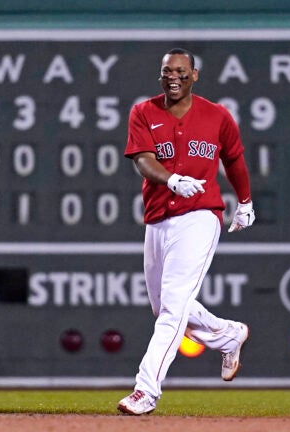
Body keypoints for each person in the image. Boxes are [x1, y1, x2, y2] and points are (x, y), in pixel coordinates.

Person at [117, 48, 256, 415]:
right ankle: (228, 335)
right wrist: (172, 179)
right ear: (160, 76)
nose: (173, 77)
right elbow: (144, 162)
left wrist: (244, 202)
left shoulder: (217, 115)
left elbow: (234, 159)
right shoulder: (143, 112)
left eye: (181, 71)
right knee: (166, 307)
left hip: (201, 215)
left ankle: (146, 390)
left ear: (195, 75)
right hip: (158, 216)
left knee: (173, 306)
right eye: (167, 72)